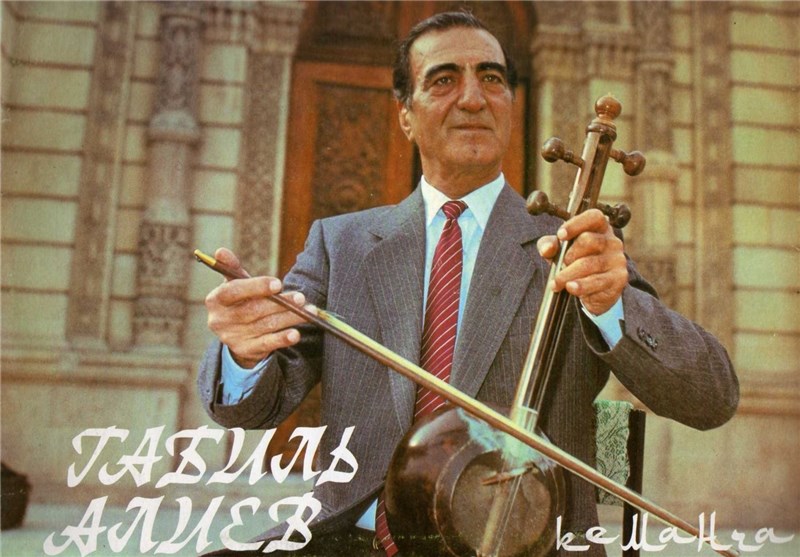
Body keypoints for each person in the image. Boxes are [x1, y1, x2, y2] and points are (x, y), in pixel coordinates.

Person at [198, 11, 738, 557]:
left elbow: (711, 398)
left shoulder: (575, 246)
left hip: (522, 544)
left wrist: (612, 305)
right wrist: (245, 352)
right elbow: (249, 409)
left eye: (492, 78)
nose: (473, 99)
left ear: (511, 106)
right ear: (405, 116)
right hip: (356, 542)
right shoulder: (342, 246)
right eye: (443, 80)